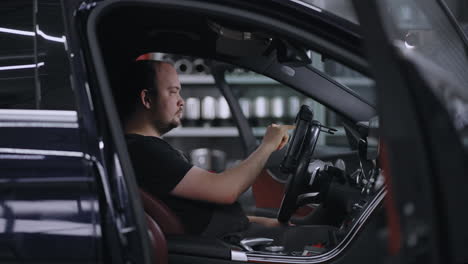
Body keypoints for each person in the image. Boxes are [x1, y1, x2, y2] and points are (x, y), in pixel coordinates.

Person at [119, 60, 293, 239]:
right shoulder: (145, 151)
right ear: (147, 99)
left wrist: (263, 222)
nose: (181, 102)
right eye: (173, 92)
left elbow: (194, 214)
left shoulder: (140, 148)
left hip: (231, 237)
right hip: (222, 248)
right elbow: (226, 191)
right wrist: (267, 145)